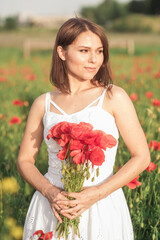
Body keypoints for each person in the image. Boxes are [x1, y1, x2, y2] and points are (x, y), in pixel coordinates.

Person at [17, 17, 150, 240]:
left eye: (99, 51)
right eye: (84, 50)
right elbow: (24, 160)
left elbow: (142, 157)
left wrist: (95, 194)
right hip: (53, 206)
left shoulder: (113, 96)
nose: (94, 59)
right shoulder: (44, 103)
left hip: (101, 204)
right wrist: (50, 192)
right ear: (62, 52)